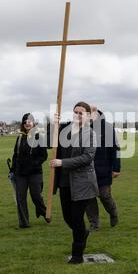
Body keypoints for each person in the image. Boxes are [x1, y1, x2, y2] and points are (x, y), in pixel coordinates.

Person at [49, 102, 98, 264]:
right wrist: (53, 124)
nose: (77, 115)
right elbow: (51, 142)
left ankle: (77, 254)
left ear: (88, 116)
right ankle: (83, 233)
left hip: (82, 182)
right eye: (75, 112)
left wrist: (62, 163)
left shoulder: (90, 134)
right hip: (64, 182)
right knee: (67, 217)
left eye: (81, 113)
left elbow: (87, 157)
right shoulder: (65, 131)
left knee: (76, 218)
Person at [10, 113, 49, 228]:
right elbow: (15, 155)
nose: (27, 123)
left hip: (35, 172)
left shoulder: (39, 137)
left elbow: (44, 156)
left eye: (29, 121)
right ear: (23, 124)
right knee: (20, 197)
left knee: (36, 196)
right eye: (25, 121)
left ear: (33, 124)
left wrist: (34, 164)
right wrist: (12, 169)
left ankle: (43, 211)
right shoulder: (20, 138)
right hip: (20, 173)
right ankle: (24, 223)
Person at [85, 106, 120, 231]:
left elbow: (115, 149)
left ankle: (113, 213)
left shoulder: (108, 128)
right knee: (89, 198)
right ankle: (94, 223)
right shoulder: (83, 128)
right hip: (86, 170)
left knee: (104, 195)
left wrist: (116, 168)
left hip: (104, 169)